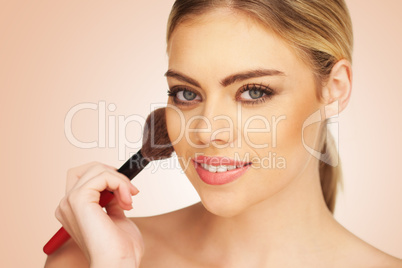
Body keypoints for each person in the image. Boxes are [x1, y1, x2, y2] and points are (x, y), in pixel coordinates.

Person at [45, 0, 402, 267]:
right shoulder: (89, 257)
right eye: (186, 93)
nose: (206, 130)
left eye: (254, 92)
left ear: (334, 89)